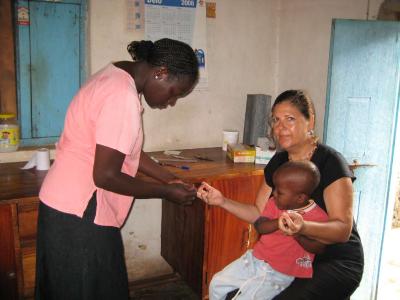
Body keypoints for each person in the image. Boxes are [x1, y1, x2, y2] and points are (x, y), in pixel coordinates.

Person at [35, 38, 200, 300]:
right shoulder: (121, 96)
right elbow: (105, 176)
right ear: (161, 72)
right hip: (80, 212)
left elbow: (127, 150)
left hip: (62, 205)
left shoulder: (114, 75)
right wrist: (164, 192)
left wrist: (169, 179)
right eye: (174, 92)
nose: (171, 102)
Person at [199, 90, 364, 300]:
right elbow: (259, 213)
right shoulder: (278, 162)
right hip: (290, 257)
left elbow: (342, 230)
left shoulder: (331, 162)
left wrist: (302, 227)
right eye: (276, 120)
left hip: (335, 259)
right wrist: (221, 201)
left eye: (290, 119)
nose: (280, 127)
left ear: (310, 121)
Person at [197, 160, 328, 300]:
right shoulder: (274, 203)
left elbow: (318, 248)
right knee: (216, 283)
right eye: (275, 189)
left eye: (280, 192)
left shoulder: (318, 217)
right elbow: (260, 226)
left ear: (300, 197)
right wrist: (278, 222)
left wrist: (298, 234)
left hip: (280, 273)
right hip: (254, 260)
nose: (274, 194)